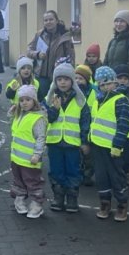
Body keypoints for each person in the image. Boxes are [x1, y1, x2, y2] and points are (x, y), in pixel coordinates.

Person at [43, 64, 91, 213]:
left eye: (66, 79)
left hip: (73, 143)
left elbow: (85, 121)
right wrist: (54, 109)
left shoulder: (80, 100)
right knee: (56, 171)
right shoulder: (49, 99)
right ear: (55, 81)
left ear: (72, 81)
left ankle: (72, 198)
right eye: (59, 79)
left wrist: (84, 141)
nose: (62, 82)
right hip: (54, 142)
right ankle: (58, 197)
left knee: (73, 171)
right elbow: (46, 119)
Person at [89, 66, 129, 222]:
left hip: (112, 148)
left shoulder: (121, 100)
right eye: (102, 84)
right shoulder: (97, 100)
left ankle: (122, 204)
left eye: (109, 83)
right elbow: (94, 122)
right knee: (101, 176)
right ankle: (105, 202)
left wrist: (117, 145)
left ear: (115, 83)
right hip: (97, 145)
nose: (106, 87)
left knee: (116, 176)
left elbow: (123, 125)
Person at [10, 85, 47, 219]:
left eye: (28, 99)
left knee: (33, 181)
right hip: (16, 158)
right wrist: (12, 112)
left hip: (30, 159)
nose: (24, 103)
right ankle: (19, 200)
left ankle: (37, 204)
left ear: (34, 101)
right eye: (21, 100)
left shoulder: (38, 118)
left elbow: (41, 138)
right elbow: (13, 124)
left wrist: (37, 154)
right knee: (18, 180)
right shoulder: (19, 115)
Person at [26, 10, 75, 101]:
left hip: (59, 76)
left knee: (57, 100)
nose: (48, 22)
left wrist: (70, 72)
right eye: (46, 20)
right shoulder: (39, 35)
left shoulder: (65, 36)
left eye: (51, 19)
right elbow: (29, 50)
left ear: (57, 20)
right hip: (41, 75)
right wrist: (37, 54)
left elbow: (71, 56)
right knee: (42, 100)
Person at [103, 10, 129, 99]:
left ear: (128, 24)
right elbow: (106, 61)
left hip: (127, 85)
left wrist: (121, 78)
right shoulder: (113, 41)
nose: (118, 24)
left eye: (122, 21)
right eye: (116, 21)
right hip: (112, 84)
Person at [75, 64, 97, 186]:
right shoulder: (72, 92)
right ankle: (78, 174)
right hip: (75, 127)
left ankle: (87, 175)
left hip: (90, 128)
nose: (78, 81)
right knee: (76, 154)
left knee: (88, 155)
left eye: (81, 78)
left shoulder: (94, 92)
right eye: (76, 78)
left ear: (87, 80)